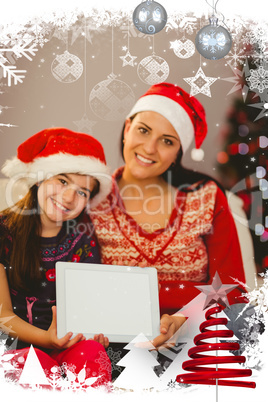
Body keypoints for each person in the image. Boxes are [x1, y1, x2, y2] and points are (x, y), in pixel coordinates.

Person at [89, 83, 248, 348]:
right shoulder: (91, 195)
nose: (150, 148)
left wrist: (185, 322)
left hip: (197, 338)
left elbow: (233, 290)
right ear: (127, 129)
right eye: (143, 130)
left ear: (177, 153)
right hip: (110, 343)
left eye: (167, 141)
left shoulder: (206, 197)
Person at [0, 128, 112, 387]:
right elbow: (3, 314)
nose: (69, 197)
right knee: (35, 365)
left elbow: (89, 301)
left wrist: (97, 329)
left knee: (94, 354)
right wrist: (46, 340)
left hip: (66, 343)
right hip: (15, 345)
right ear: (39, 178)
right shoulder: (4, 231)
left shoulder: (83, 236)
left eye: (82, 192)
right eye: (62, 181)